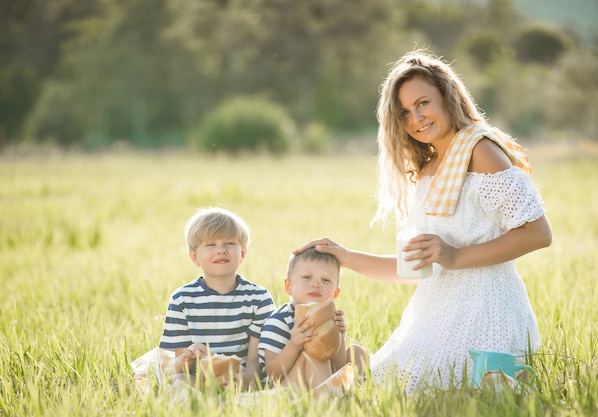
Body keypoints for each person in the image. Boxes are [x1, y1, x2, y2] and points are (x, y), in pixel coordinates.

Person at [295, 49, 552, 393]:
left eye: (422, 103)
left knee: (427, 388)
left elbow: (538, 233)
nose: (415, 117)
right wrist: (344, 256)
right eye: (404, 112)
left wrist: (455, 257)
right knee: (372, 386)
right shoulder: (429, 168)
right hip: (435, 313)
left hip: (486, 310)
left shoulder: (481, 150)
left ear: (447, 97)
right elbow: (413, 269)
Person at [159, 207, 275, 389]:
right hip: (198, 380)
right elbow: (179, 367)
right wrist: (188, 357)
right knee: (179, 383)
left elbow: (256, 363)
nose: (221, 250)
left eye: (229, 243)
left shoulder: (259, 298)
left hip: (242, 380)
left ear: (243, 253)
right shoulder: (182, 299)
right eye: (210, 244)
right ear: (195, 257)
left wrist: (243, 381)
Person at [258, 247, 369, 389]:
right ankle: (330, 402)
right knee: (314, 357)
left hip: (323, 380)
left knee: (357, 352)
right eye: (307, 277)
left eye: (326, 280)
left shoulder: (330, 319)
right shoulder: (279, 321)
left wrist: (339, 336)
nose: (316, 284)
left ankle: (356, 393)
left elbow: (338, 367)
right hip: (284, 388)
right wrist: (293, 345)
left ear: (335, 293)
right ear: (288, 286)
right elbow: (272, 374)